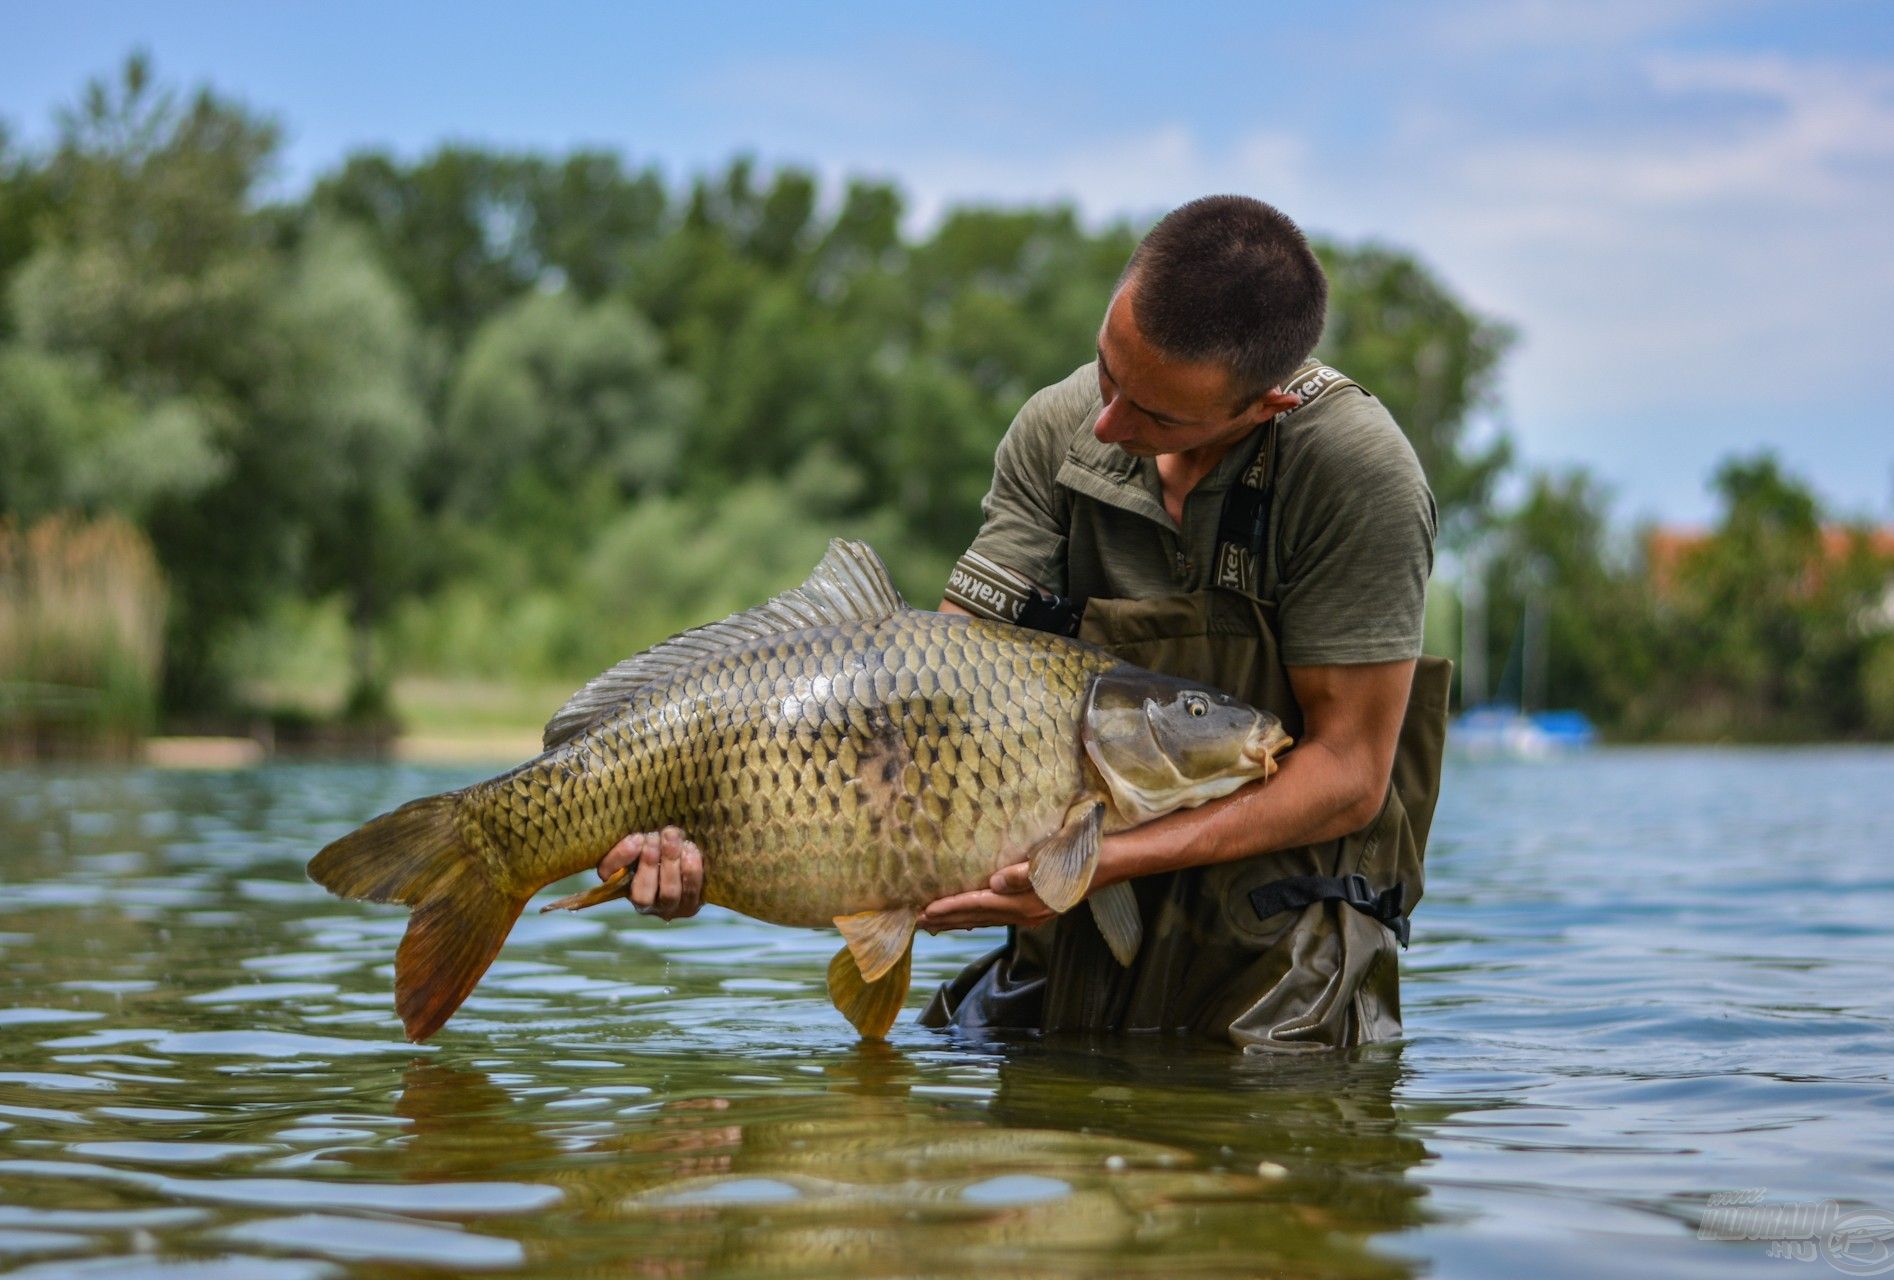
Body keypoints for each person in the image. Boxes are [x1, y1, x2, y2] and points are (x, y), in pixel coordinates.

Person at [597, 195, 1451, 1048]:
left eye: (1155, 415)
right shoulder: (1061, 424)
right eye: (1107, 371)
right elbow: (937, 680)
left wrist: (1098, 862)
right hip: (1070, 924)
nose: (1110, 426)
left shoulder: (1357, 474)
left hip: (1280, 951)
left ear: (1263, 407)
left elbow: (1349, 772)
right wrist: (747, 842)